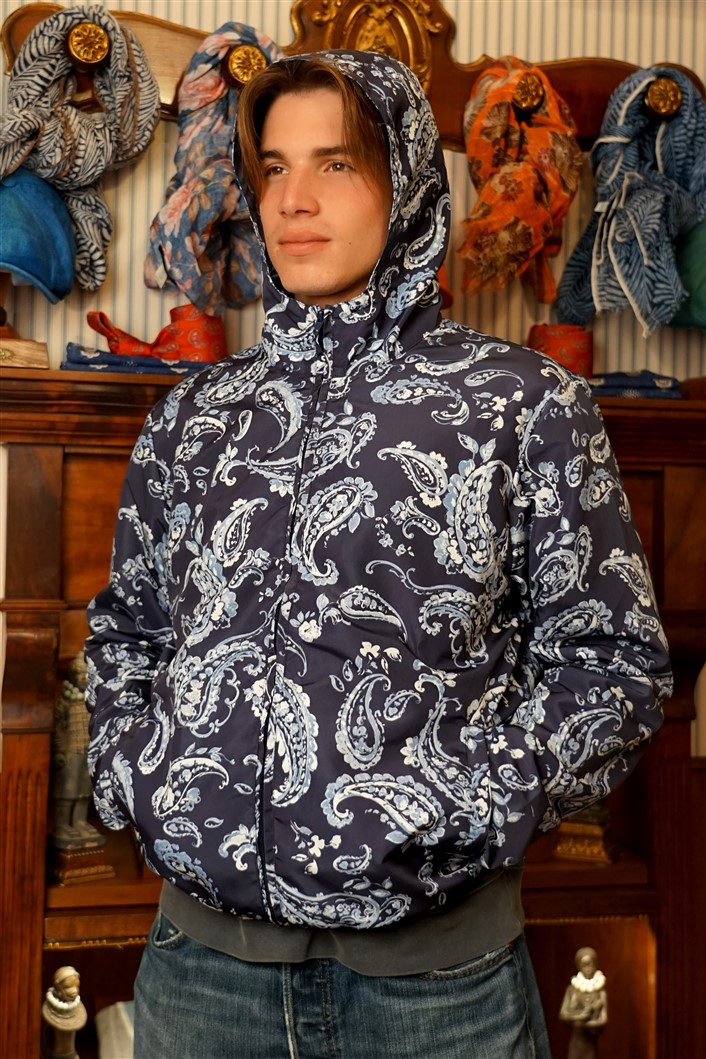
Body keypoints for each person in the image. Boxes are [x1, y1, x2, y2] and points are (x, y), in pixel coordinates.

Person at [84, 49, 672, 1059]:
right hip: (200, 976)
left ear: (404, 182)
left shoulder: (524, 403)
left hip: (437, 993)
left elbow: (613, 664)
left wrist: (476, 800)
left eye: (335, 165)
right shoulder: (194, 415)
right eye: (274, 167)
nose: (293, 199)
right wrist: (133, 772)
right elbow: (126, 633)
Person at [559, 947, 608, 1059]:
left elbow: (603, 1020)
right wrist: (580, 1016)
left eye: (591, 964)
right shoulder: (572, 990)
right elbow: (563, 1014)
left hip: (590, 1042)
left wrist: (585, 1024)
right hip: (576, 1041)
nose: (588, 969)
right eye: (584, 965)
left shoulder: (600, 992)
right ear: (579, 966)